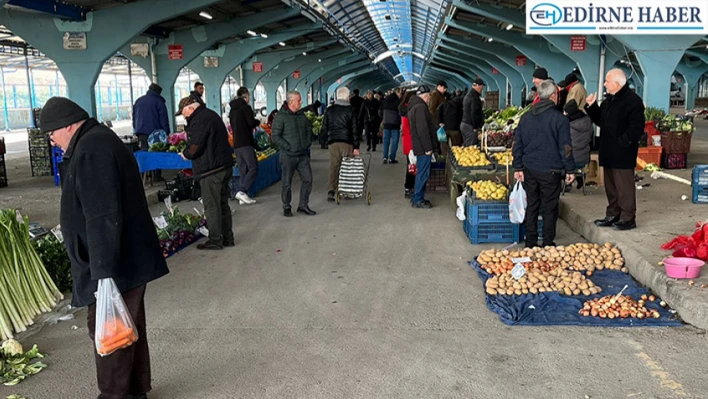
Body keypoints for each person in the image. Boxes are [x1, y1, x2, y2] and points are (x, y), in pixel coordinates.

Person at [40, 96, 169, 399]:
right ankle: (135, 391)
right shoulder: (97, 141)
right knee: (128, 327)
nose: (51, 140)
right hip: (124, 259)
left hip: (115, 264)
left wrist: (102, 273)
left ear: (68, 124)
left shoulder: (91, 148)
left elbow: (102, 216)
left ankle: (113, 395)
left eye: (51, 133)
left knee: (111, 332)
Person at [512, 80, 576, 248]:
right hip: (551, 170)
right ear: (554, 96)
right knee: (549, 207)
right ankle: (548, 243)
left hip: (529, 169)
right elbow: (566, 148)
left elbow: (517, 144)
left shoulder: (526, 118)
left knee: (532, 204)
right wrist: (570, 169)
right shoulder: (559, 119)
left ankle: (530, 242)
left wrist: (518, 167)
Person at [585, 69, 645, 231]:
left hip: (623, 152)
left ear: (617, 84)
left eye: (607, 81)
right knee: (611, 186)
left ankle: (628, 217)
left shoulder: (633, 101)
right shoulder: (609, 100)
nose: (604, 84)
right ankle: (613, 213)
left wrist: (623, 142)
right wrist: (591, 107)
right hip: (608, 150)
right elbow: (600, 121)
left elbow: (636, 128)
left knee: (624, 186)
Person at [177, 95, 235, 250]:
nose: (184, 116)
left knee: (212, 206)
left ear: (191, 108)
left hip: (211, 170)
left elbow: (195, 147)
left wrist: (186, 153)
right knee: (223, 204)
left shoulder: (199, 120)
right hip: (224, 166)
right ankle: (228, 237)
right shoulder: (210, 114)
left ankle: (215, 240)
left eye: (184, 112)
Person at [272, 91, 316, 217]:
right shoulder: (280, 117)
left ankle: (303, 205)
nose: (301, 102)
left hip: (302, 155)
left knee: (308, 179)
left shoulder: (302, 116)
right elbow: (275, 136)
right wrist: (288, 147)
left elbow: (309, 129)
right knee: (286, 183)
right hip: (288, 156)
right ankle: (286, 206)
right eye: (299, 100)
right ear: (291, 102)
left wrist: (307, 143)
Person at [321, 90, 360, 202]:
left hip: (333, 142)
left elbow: (324, 127)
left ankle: (331, 190)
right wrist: (356, 146)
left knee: (334, 166)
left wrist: (324, 141)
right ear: (347, 97)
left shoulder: (329, 110)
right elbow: (354, 129)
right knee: (348, 166)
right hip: (347, 142)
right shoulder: (351, 110)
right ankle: (346, 190)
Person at [228, 87, 261, 205]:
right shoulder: (245, 108)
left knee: (243, 169)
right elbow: (251, 122)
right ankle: (242, 191)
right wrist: (257, 122)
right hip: (246, 142)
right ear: (245, 96)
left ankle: (242, 196)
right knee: (253, 167)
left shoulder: (232, 110)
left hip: (237, 143)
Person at [408, 85, 438, 209]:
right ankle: (418, 199)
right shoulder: (420, 108)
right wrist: (428, 147)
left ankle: (417, 196)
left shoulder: (414, 106)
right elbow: (423, 129)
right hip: (422, 147)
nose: (430, 98)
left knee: (421, 172)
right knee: (422, 173)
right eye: (429, 96)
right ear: (426, 96)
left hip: (418, 145)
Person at [564, 99, 593, 191]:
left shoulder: (568, 125)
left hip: (570, 159)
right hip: (584, 158)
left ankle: (567, 184)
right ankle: (579, 177)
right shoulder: (588, 121)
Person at [132, 83, 170, 151]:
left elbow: (134, 119)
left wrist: (137, 129)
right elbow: (164, 120)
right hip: (156, 135)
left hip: (141, 134)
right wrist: (166, 133)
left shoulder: (138, 101)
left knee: (145, 154)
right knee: (156, 155)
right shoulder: (159, 102)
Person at [400, 90, 416, 198]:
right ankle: (409, 187)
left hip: (407, 141)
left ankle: (409, 187)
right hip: (411, 142)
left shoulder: (404, 109)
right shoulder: (408, 111)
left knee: (410, 165)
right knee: (411, 166)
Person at [461, 78, 485, 146]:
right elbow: (474, 113)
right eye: (481, 88)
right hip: (470, 126)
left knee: (467, 145)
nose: (481, 90)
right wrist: (475, 127)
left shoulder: (468, 95)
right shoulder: (475, 97)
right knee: (471, 147)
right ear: (477, 86)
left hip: (464, 124)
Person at [382, 87, 402, 164]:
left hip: (386, 123)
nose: (401, 95)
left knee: (386, 142)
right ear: (397, 92)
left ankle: (385, 157)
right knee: (394, 142)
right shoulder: (398, 101)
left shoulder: (386, 99)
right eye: (400, 93)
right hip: (395, 124)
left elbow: (381, 111)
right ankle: (392, 158)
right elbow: (400, 113)